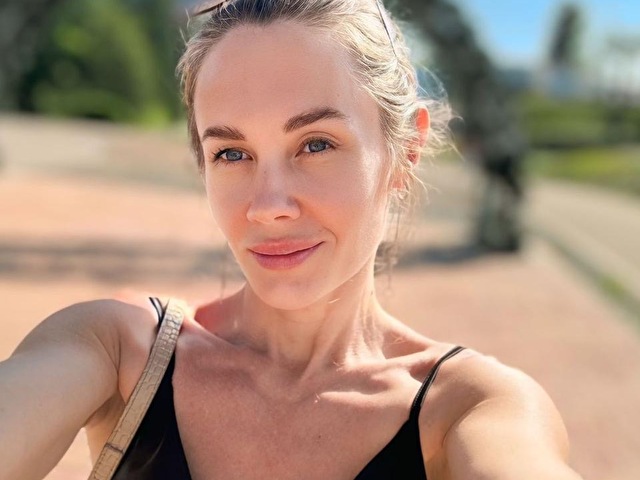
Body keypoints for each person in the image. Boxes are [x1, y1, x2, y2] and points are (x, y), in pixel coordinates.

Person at [0, 1, 583, 479]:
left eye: (316, 144)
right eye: (232, 153)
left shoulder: (470, 408)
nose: (268, 205)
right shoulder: (117, 352)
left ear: (404, 153)